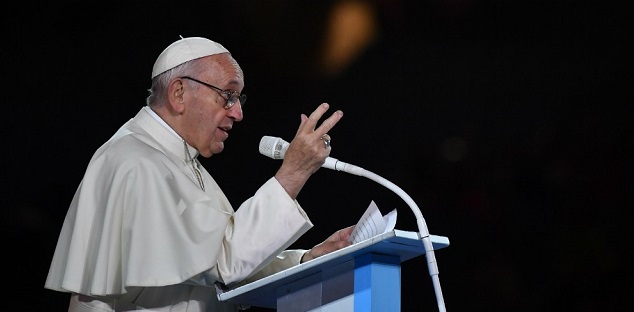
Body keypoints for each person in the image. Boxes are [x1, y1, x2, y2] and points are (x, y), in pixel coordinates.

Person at [45, 36, 354, 311]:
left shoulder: (180, 162)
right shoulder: (135, 161)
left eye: (239, 99)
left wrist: (304, 260)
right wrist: (293, 173)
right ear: (179, 93)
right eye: (228, 96)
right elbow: (224, 264)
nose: (238, 113)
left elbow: (215, 261)